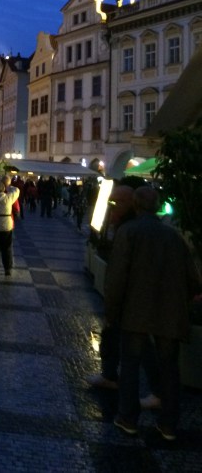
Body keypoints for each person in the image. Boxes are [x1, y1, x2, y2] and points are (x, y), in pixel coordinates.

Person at [105, 186, 201, 441]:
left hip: (136, 312)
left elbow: (116, 278)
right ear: (157, 206)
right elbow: (193, 279)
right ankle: (168, 425)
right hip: (170, 313)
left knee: (131, 366)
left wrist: (112, 312)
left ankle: (128, 419)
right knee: (169, 368)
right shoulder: (174, 236)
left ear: (136, 205)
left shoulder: (129, 232)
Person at [88, 183, 160, 409]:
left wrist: (112, 303)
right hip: (131, 296)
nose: (111, 206)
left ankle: (137, 405)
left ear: (133, 205)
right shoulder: (124, 226)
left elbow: (121, 271)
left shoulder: (129, 230)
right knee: (116, 337)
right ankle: (110, 375)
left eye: (116, 202)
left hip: (131, 297)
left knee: (139, 345)